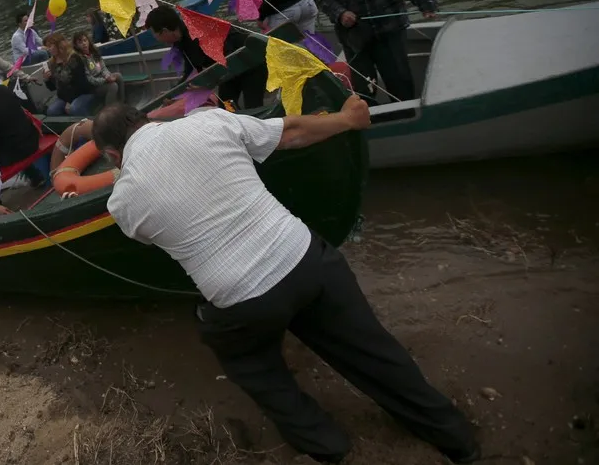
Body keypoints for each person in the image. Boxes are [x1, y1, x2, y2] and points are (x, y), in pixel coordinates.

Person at [92, 102, 480, 465]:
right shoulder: (208, 122)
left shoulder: (122, 202)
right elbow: (292, 131)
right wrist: (347, 119)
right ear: (142, 119)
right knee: (373, 351)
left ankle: (327, 445)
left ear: (112, 156)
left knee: (250, 362)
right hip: (306, 258)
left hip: (243, 302)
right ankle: (455, 437)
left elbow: (151, 234)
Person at [146, 6, 267, 110]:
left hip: (251, 63)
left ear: (165, 31)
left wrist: (211, 83)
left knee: (253, 106)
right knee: (226, 106)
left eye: (154, 34)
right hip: (229, 71)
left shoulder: (199, 32)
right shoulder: (181, 40)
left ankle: (263, 129)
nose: (156, 38)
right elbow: (191, 70)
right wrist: (172, 94)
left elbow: (229, 57)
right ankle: (239, 124)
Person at [42, 32, 96, 117]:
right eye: (47, 47)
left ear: (58, 45)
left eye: (50, 46)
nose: (48, 49)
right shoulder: (51, 63)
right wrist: (47, 79)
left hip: (83, 93)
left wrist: (70, 101)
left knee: (74, 108)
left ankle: (88, 124)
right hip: (64, 97)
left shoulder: (73, 58)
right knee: (51, 111)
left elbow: (81, 84)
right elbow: (53, 88)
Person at [73, 31, 124, 108]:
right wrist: (105, 80)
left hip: (102, 78)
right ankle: (108, 112)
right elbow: (89, 79)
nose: (84, 43)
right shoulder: (80, 59)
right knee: (113, 86)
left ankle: (122, 103)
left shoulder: (94, 52)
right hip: (92, 86)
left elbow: (103, 68)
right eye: (80, 42)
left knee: (118, 76)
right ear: (76, 46)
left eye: (85, 40)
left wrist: (107, 76)